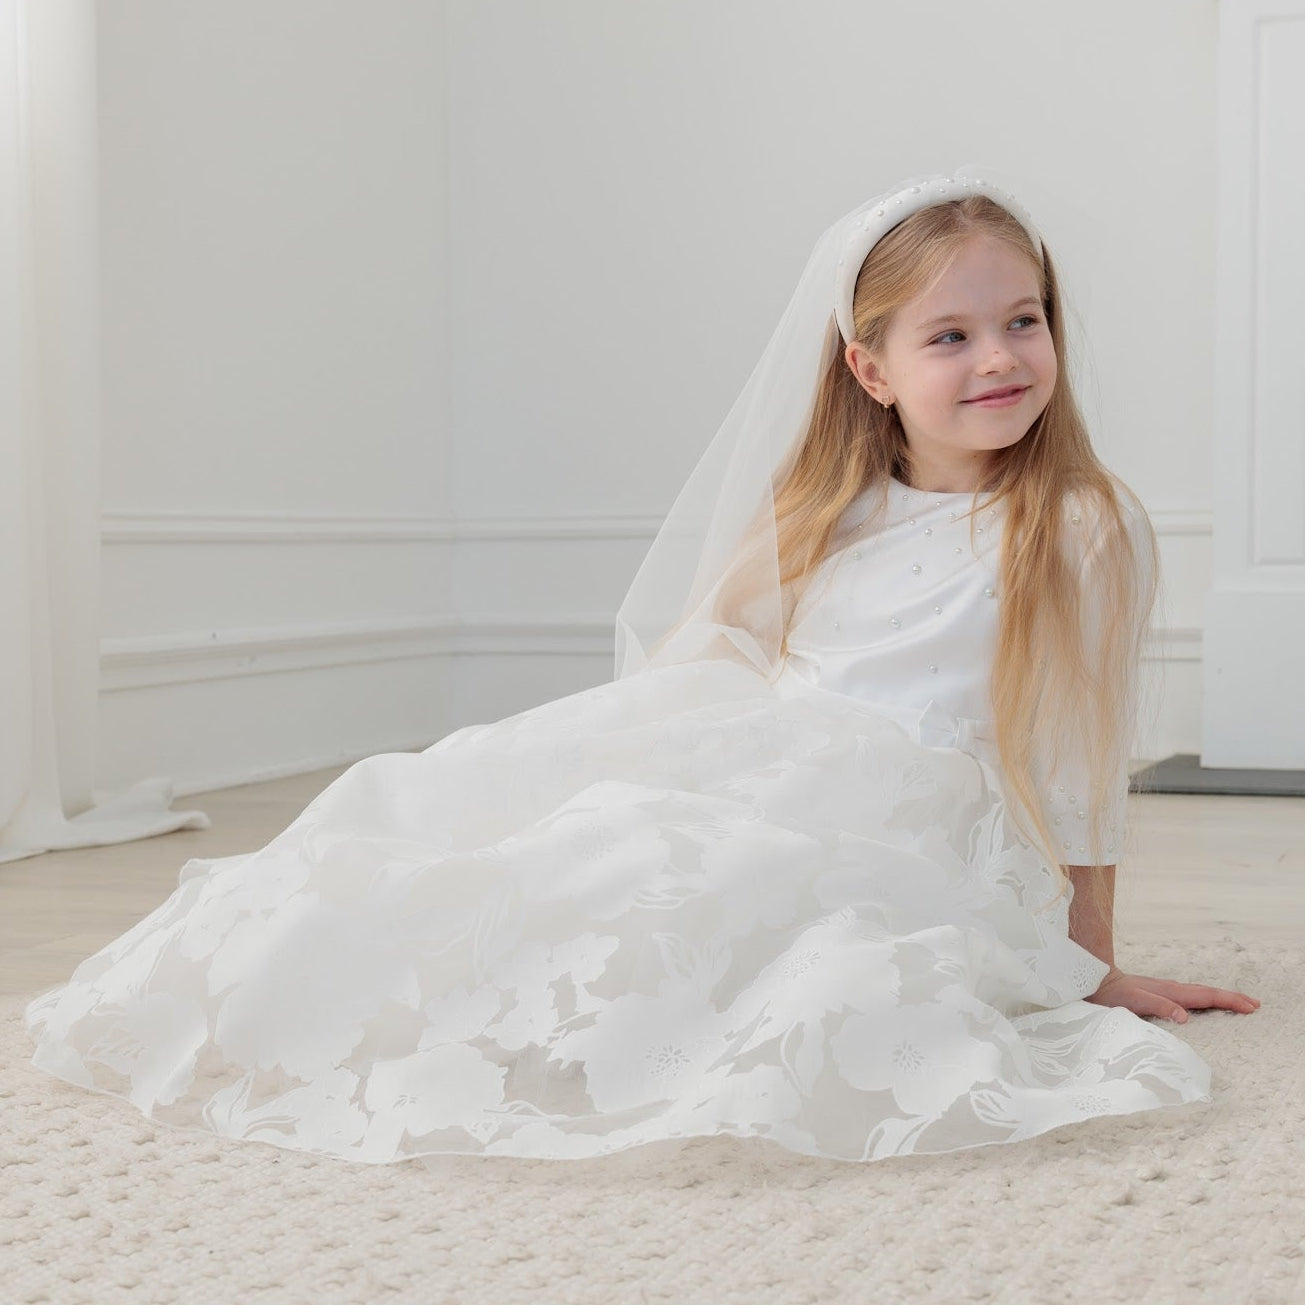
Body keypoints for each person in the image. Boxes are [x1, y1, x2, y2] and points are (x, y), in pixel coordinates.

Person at [24, 170, 1258, 1167]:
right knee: (525, 827)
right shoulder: (826, 507)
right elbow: (698, 659)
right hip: (771, 752)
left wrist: (1092, 955)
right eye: (953, 334)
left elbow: (1079, 749)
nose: (1001, 357)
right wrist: (627, 764)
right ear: (871, 369)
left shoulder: (1079, 521)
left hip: (910, 816)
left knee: (749, 920)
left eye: (1023, 320)